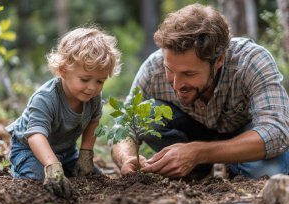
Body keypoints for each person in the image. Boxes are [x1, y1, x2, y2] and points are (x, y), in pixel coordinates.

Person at [111, 3, 289, 180]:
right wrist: (126, 157)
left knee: (267, 173)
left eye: (189, 73)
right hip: (191, 132)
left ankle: (233, 165)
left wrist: (199, 152)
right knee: (144, 114)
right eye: (170, 70)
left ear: (218, 60)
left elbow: (277, 131)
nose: (177, 84)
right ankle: (195, 171)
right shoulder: (153, 68)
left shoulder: (251, 61)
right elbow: (125, 124)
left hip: (244, 137)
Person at [6, 27, 121, 198]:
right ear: (63, 70)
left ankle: (62, 166)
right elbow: (35, 136)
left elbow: (93, 122)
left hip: (66, 152)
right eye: (85, 79)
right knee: (39, 179)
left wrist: (85, 154)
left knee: (92, 178)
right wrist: (52, 165)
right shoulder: (45, 98)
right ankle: (23, 167)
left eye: (100, 81)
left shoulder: (93, 97)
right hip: (28, 149)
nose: (92, 87)